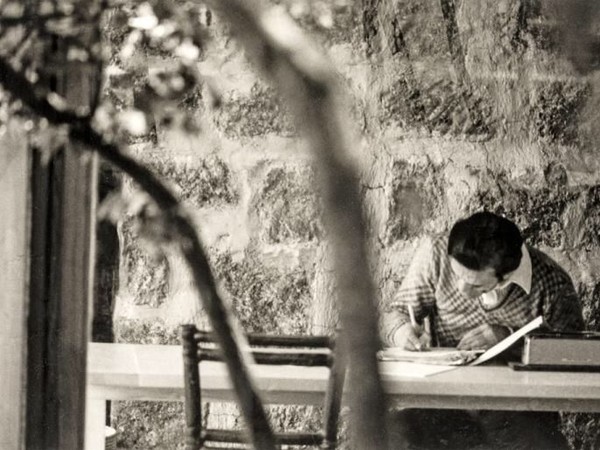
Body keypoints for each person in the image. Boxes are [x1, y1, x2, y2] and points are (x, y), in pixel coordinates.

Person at [381, 211, 584, 450]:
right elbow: (395, 314)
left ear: (506, 275)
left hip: (516, 410)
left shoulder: (553, 285)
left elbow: (573, 356)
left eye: (475, 284)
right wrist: (402, 331)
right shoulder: (436, 253)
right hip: (445, 402)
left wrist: (509, 337)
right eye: (456, 275)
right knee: (392, 434)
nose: (461, 289)